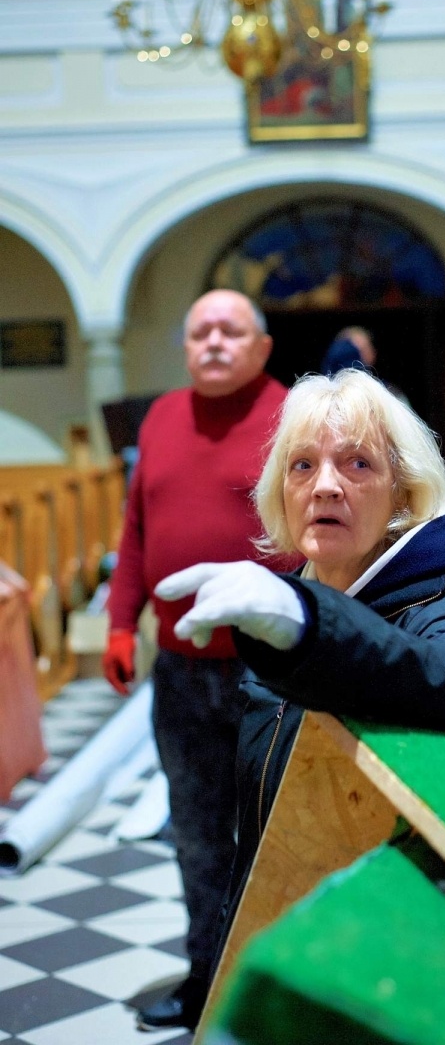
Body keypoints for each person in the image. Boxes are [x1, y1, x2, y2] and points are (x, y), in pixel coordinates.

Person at [155, 367, 445, 977]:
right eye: (302, 465)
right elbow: (263, 826)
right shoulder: (293, 600)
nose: (325, 487)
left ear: (403, 492)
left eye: (357, 464)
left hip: (408, 953)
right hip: (301, 943)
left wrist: (308, 626)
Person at [103, 289, 298, 1032]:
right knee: (196, 831)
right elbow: (136, 526)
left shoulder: (293, 417)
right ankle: (207, 978)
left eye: (230, 330)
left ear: (261, 346)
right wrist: (121, 625)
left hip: (274, 670)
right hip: (182, 674)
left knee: (279, 832)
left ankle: (282, 983)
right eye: (199, 332)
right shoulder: (160, 417)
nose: (213, 342)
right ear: (185, 347)